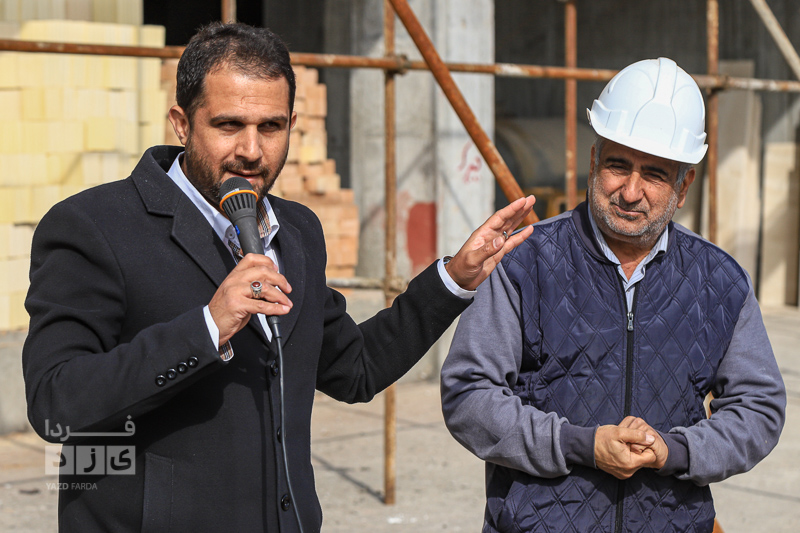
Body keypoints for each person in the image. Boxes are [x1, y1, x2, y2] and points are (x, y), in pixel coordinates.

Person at [22, 22, 535, 532]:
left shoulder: (298, 230)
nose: (251, 150)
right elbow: (54, 404)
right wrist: (207, 327)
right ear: (181, 123)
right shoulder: (94, 226)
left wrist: (453, 279)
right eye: (228, 125)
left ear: (292, 123)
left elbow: (354, 368)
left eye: (270, 127)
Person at [441, 57, 786, 533]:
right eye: (618, 165)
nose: (630, 191)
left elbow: (758, 408)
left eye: (655, 174)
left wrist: (675, 450)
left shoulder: (721, 282)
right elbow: (468, 394)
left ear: (683, 186)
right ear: (593, 161)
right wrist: (579, 444)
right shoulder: (524, 263)